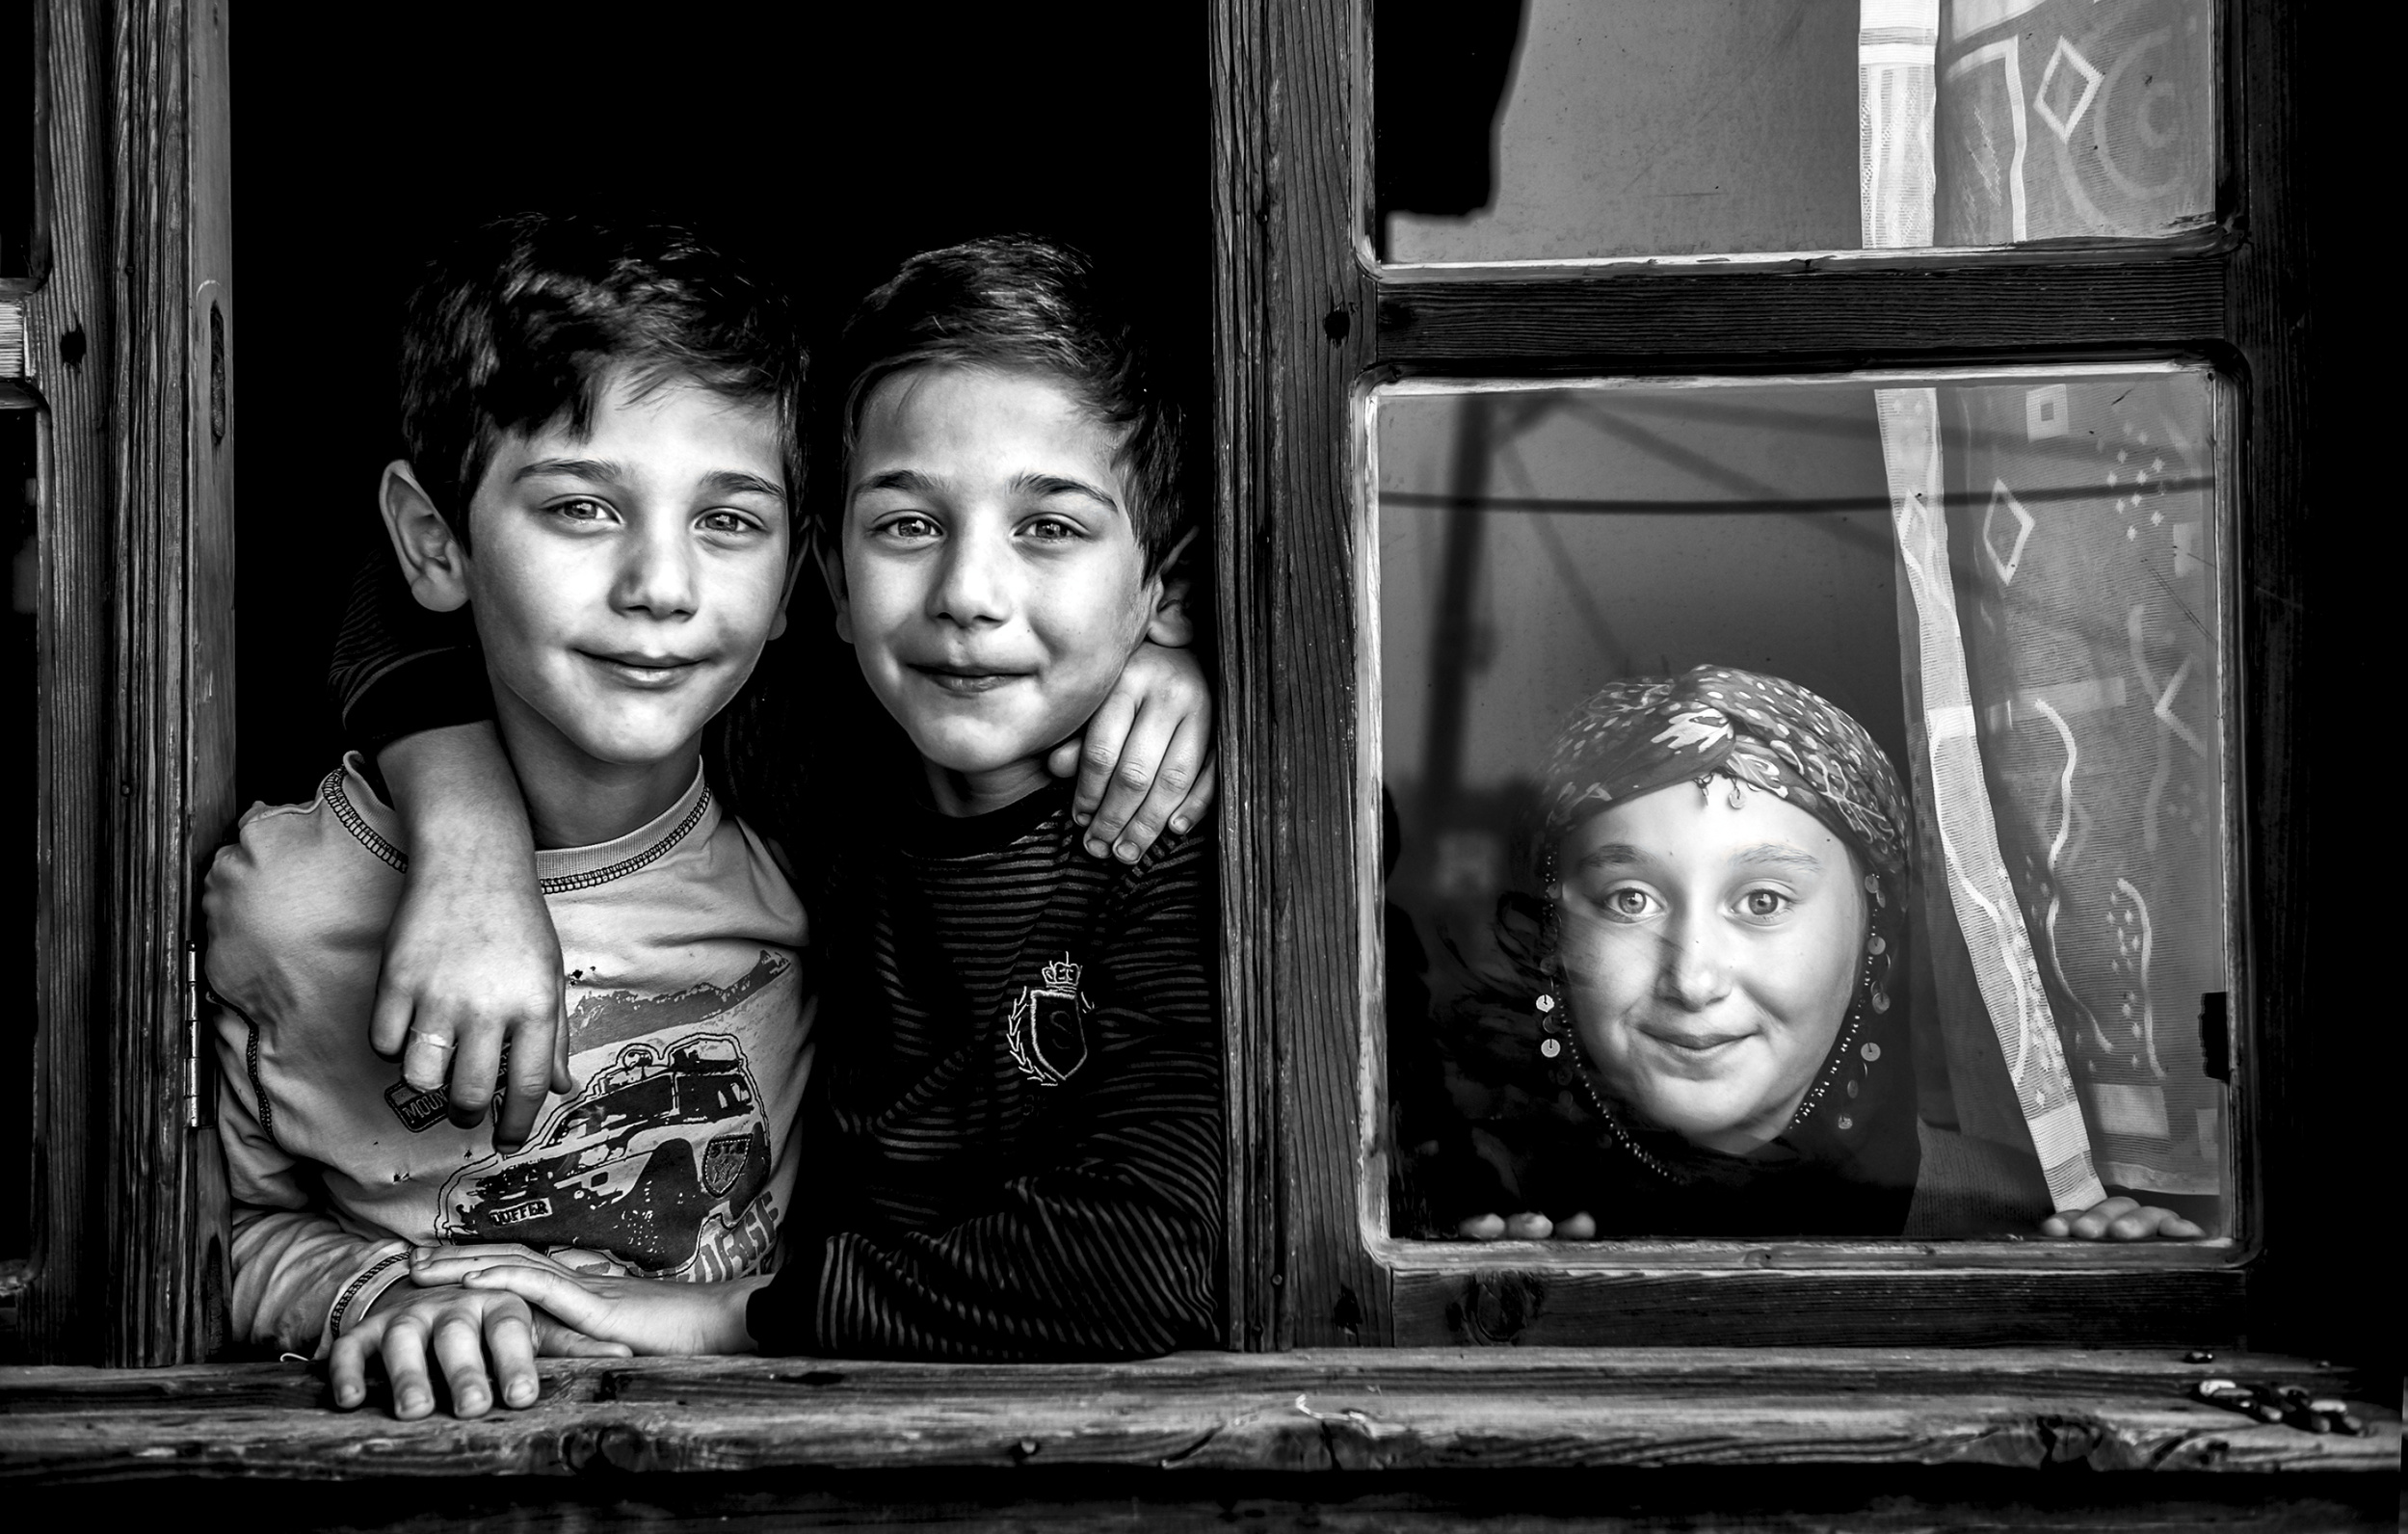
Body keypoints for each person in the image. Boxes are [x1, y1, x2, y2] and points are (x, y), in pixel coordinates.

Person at [405, 236, 1224, 1359]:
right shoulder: (812, 756)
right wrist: (468, 848)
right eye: (907, 525)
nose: (969, 594)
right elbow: (431, 577)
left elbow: (1149, 1266)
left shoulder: (1173, 846)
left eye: (1050, 528)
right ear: (828, 578)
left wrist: (737, 1317)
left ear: (1165, 586)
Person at [206, 214, 821, 1417]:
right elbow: (210, 1230)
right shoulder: (286, 902)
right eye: (582, 508)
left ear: (796, 578)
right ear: (433, 544)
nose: (661, 586)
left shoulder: (811, 849)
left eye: (729, 520)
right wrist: (375, 1294)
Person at [1412, 666, 2206, 1243]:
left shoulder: (2024, 1218)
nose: (1692, 979)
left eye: (1762, 900)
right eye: (1630, 900)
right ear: (1553, 938)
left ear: (1873, 936)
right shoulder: (1455, 1210)